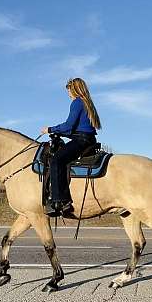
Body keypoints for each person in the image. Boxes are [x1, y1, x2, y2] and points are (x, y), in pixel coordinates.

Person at [41, 77, 102, 217]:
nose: (68, 94)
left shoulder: (77, 103)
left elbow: (69, 126)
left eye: (69, 91)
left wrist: (50, 129)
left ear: (74, 90)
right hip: (88, 140)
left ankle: (60, 201)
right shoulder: (87, 103)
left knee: (57, 160)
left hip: (81, 141)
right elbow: (77, 129)